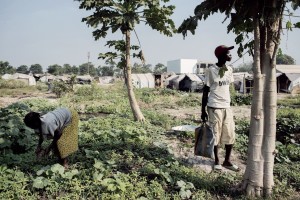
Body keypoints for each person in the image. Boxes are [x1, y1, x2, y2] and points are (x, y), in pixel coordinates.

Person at [201, 45, 240, 171]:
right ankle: (217, 161)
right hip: (214, 107)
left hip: (227, 107)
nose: (230, 56)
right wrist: (203, 110)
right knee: (215, 135)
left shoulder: (229, 70)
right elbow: (205, 91)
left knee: (230, 134)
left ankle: (227, 161)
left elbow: (229, 88)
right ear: (221, 55)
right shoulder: (211, 70)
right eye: (228, 54)